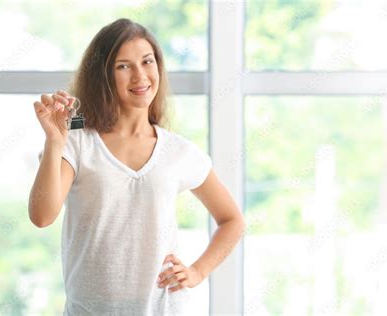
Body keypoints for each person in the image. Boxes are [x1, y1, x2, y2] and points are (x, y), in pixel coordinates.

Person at [29, 18, 245, 315]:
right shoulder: (77, 144)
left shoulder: (178, 151)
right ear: (103, 75)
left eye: (147, 61)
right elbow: (42, 216)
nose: (140, 76)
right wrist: (54, 140)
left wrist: (196, 272)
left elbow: (232, 220)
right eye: (123, 66)